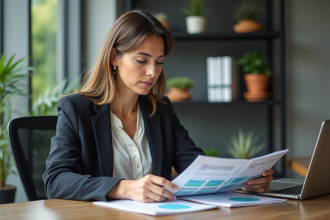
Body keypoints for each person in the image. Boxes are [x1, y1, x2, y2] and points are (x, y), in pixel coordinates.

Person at [42, 10, 274, 203]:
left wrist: (242, 181)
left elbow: (197, 167)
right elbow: (56, 181)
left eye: (159, 62)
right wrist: (125, 188)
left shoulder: (160, 110)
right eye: (142, 60)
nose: (153, 72)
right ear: (114, 57)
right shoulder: (76, 109)